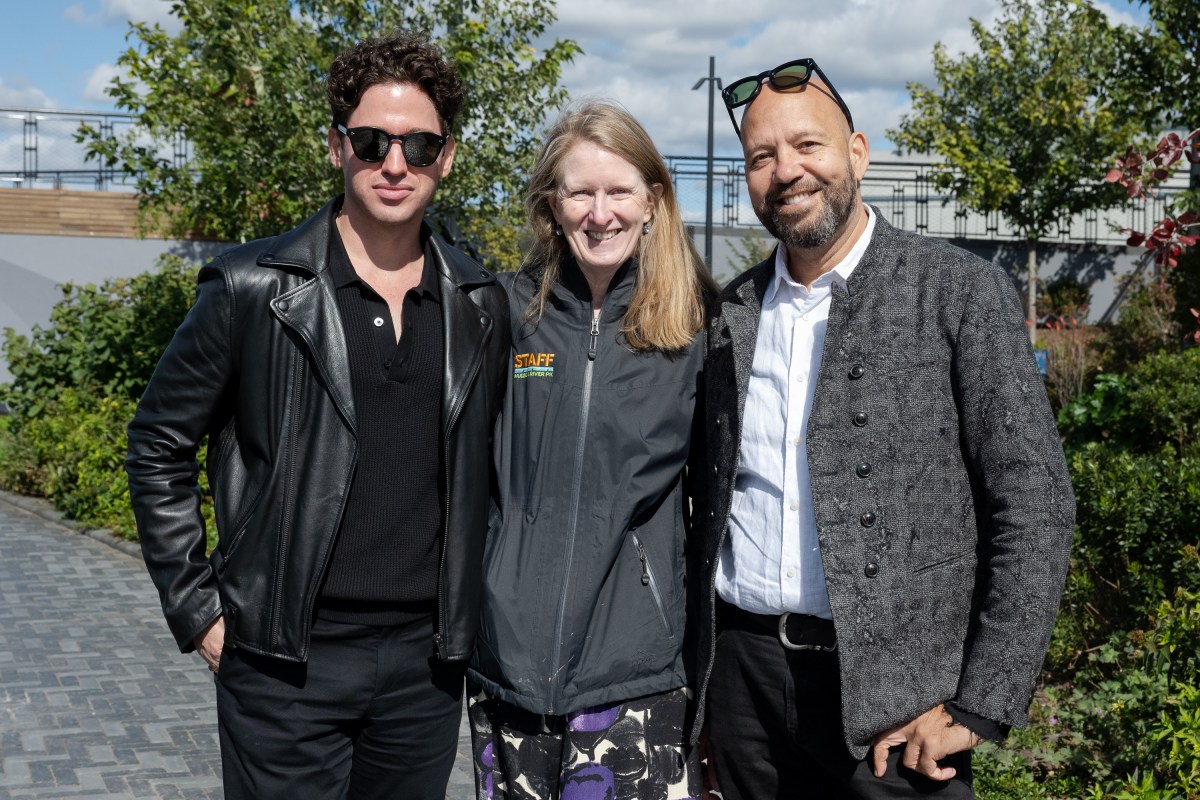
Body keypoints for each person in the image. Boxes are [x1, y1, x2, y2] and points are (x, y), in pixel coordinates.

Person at [125, 31, 509, 800]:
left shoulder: (479, 303)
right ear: (337, 148)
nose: (394, 164)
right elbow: (157, 441)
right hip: (284, 663)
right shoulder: (251, 289)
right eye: (372, 142)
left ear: (447, 157)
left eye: (418, 145)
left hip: (424, 670)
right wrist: (197, 608)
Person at [690, 57, 1075, 799]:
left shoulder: (959, 292)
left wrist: (980, 706)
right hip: (744, 689)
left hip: (899, 709)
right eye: (762, 157)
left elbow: (1034, 506)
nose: (786, 172)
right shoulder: (726, 313)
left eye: (808, 146)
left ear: (858, 154)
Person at [466, 101, 718, 800]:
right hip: (506, 667)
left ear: (652, 202)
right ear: (552, 203)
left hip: (635, 675)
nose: (598, 212)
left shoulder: (696, 324)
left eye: (618, 191)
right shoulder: (508, 312)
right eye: (580, 191)